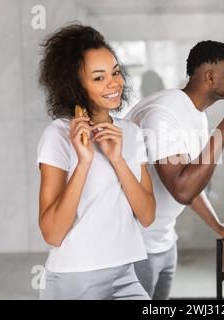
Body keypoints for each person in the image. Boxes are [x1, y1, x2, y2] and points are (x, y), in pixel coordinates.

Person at [126, 40, 224, 300]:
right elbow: (183, 190)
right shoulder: (163, 115)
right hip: (136, 247)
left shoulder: (194, 113)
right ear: (210, 76)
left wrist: (217, 226)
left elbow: (191, 181)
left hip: (164, 241)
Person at [36, 24, 155, 300]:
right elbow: (52, 234)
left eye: (115, 72)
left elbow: (147, 215)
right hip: (75, 279)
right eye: (99, 78)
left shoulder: (132, 133)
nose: (114, 83)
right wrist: (83, 162)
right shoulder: (58, 136)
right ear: (75, 85)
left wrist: (118, 160)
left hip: (126, 274)